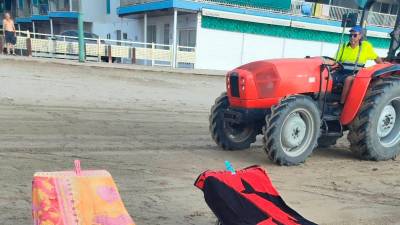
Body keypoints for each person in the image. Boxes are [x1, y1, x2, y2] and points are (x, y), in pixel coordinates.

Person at [334, 25, 383, 105]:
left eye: (355, 35)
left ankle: (341, 104)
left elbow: (376, 58)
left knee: (348, 79)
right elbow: (335, 61)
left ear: (360, 36)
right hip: (342, 72)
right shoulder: (343, 46)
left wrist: (382, 66)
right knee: (326, 76)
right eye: (350, 35)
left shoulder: (366, 46)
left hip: (356, 74)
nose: (352, 37)